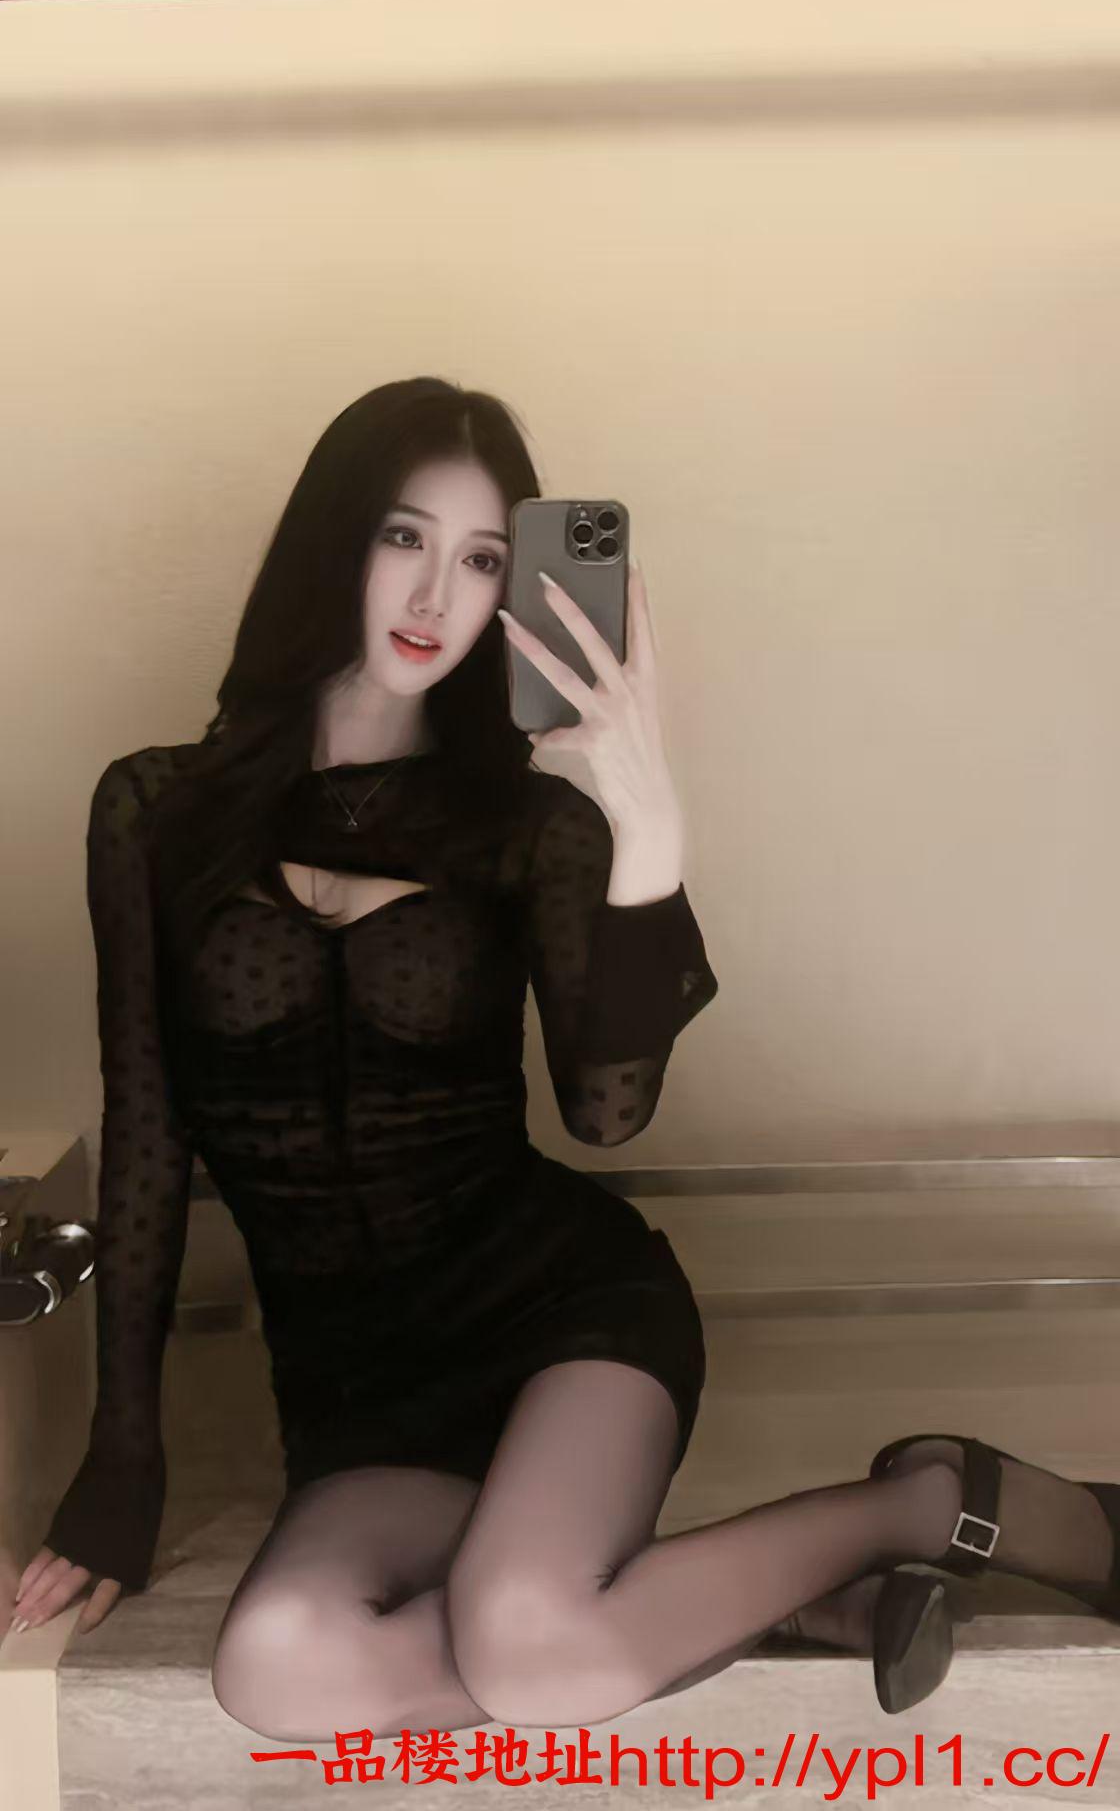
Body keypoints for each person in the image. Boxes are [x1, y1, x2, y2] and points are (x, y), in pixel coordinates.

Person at [14, 378, 1118, 1734]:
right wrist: (120, 1463)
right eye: (403, 537)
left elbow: (607, 1114)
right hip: (359, 1392)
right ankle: (752, 1602)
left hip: (561, 1324)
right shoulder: (155, 809)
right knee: (280, 1666)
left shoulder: (533, 825)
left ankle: (929, 1500)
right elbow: (146, 1135)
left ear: (515, 592)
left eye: (484, 560)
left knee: (531, 1648)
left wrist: (647, 825)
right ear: (331, 542)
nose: (437, 594)